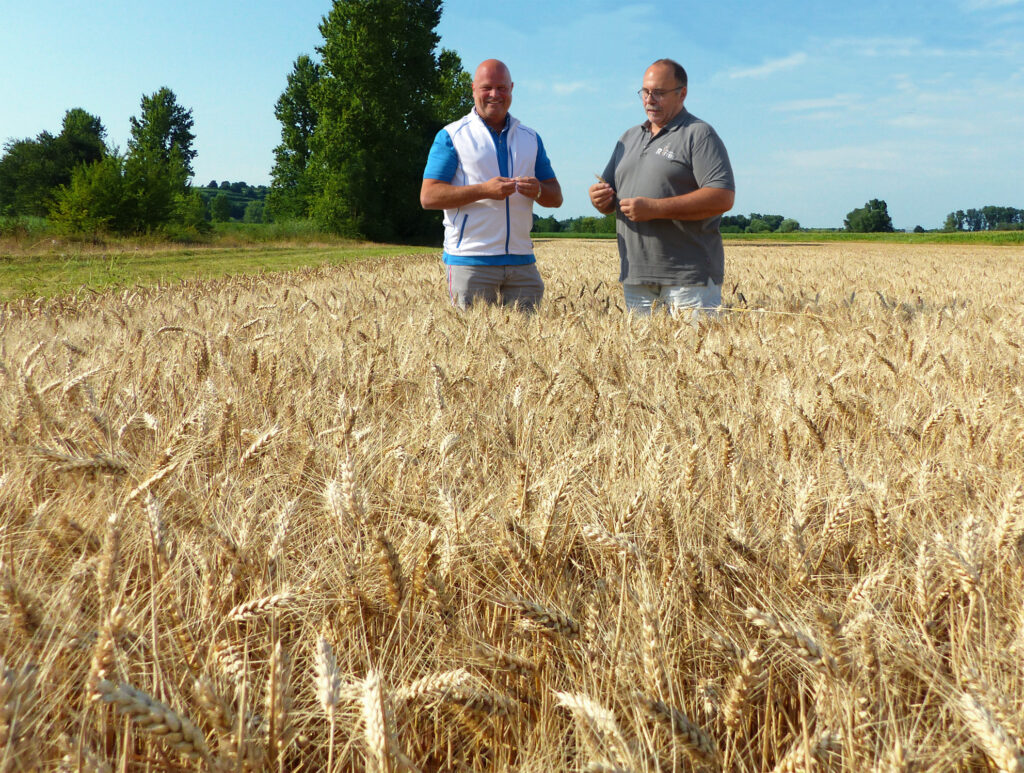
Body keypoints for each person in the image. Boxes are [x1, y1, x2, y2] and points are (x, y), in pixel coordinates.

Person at [589, 58, 735, 318]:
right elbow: (609, 196)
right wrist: (600, 199)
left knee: (695, 346)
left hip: (688, 279)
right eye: (645, 92)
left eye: (659, 93)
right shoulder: (629, 138)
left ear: (682, 93)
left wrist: (655, 208)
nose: (649, 100)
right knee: (641, 347)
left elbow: (722, 196)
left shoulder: (699, 134)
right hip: (637, 277)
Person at [421, 59, 562, 311]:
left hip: (522, 262)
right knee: (471, 337)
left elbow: (556, 197)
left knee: (528, 337)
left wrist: (538, 190)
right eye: (487, 87)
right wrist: (484, 190)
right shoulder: (452, 136)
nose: (495, 94)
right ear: (473, 88)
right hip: (470, 261)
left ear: (512, 89)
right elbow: (429, 196)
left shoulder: (530, 138)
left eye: (502, 88)